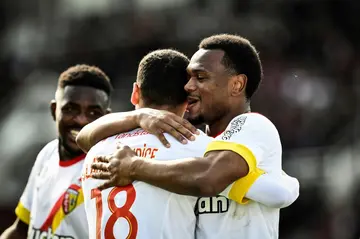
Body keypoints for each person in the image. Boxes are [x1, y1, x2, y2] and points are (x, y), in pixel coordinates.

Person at [77, 34, 299, 238]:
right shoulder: (193, 148)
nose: (188, 86)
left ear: (237, 85)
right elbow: (277, 193)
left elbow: (209, 177)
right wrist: (138, 117)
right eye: (189, 78)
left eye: (200, 77)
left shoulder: (253, 125)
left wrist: (134, 166)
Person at [0, 64, 113, 239]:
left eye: (93, 112)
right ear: (54, 111)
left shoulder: (108, 169)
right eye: (70, 109)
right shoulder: (47, 154)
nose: (81, 120)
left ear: (105, 118)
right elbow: (21, 229)